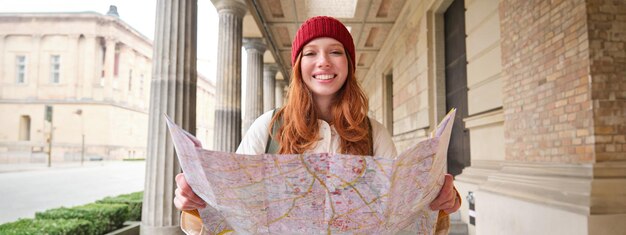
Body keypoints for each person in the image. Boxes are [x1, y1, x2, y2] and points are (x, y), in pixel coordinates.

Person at [174, 15, 461, 233]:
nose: (323, 62)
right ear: (298, 66)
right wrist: (195, 201)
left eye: (335, 52)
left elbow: (400, 214)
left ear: (349, 63)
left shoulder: (374, 133)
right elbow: (231, 207)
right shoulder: (267, 127)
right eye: (310, 53)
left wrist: (441, 200)